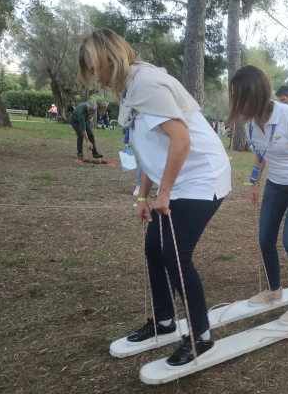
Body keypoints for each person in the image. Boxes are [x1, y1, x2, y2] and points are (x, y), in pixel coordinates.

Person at [78, 28, 231, 367]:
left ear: (109, 58)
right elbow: (150, 149)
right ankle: (164, 323)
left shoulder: (145, 83)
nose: (95, 76)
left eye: (94, 66)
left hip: (201, 176)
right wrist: (142, 197)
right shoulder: (129, 88)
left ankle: (200, 337)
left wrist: (164, 192)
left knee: (175, 254)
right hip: (177, 177)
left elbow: (181, 141)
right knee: (153, 248)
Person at [227, 65, 288, 325]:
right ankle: (274, 289)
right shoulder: (249, 125)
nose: (236, 103)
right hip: (276, 184)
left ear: (254, 95)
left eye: (239, 97)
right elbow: (261, 154)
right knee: (265, 237)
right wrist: (254, 182)